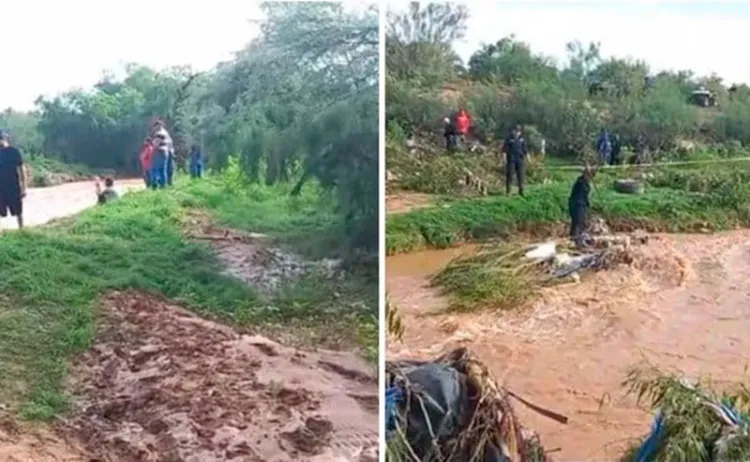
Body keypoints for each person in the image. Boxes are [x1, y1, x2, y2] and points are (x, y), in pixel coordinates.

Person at [0, 131, 26, 229]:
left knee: (18, 212)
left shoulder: (14, 152)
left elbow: (22, 171)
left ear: (4, 139)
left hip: (13, 186)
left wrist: (23, 188)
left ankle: (21, 230)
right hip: (1, 188)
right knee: (1, 212)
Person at [569, 166, 596, 247]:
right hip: (577, 204)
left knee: (581, 222)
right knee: (578, 222)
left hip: (581, 204)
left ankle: (576, 238)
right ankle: (577, 240)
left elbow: (585, 196)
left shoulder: (585, 182)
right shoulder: (581, 182)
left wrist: (588, 203)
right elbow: (581, 193)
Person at [502, 124, 527, 196]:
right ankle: (508, 191)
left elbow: (525, 149)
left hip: (520, 159)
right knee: (510, 175)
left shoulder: (522, 139)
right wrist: (504, 158)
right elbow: (504, 149)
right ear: (513, 131)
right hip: (511, 159)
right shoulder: (509, 138)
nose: (517, 133)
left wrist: (528, 158)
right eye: (516, 131)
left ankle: (521, 191)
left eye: (518, 131)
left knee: (521, 175)